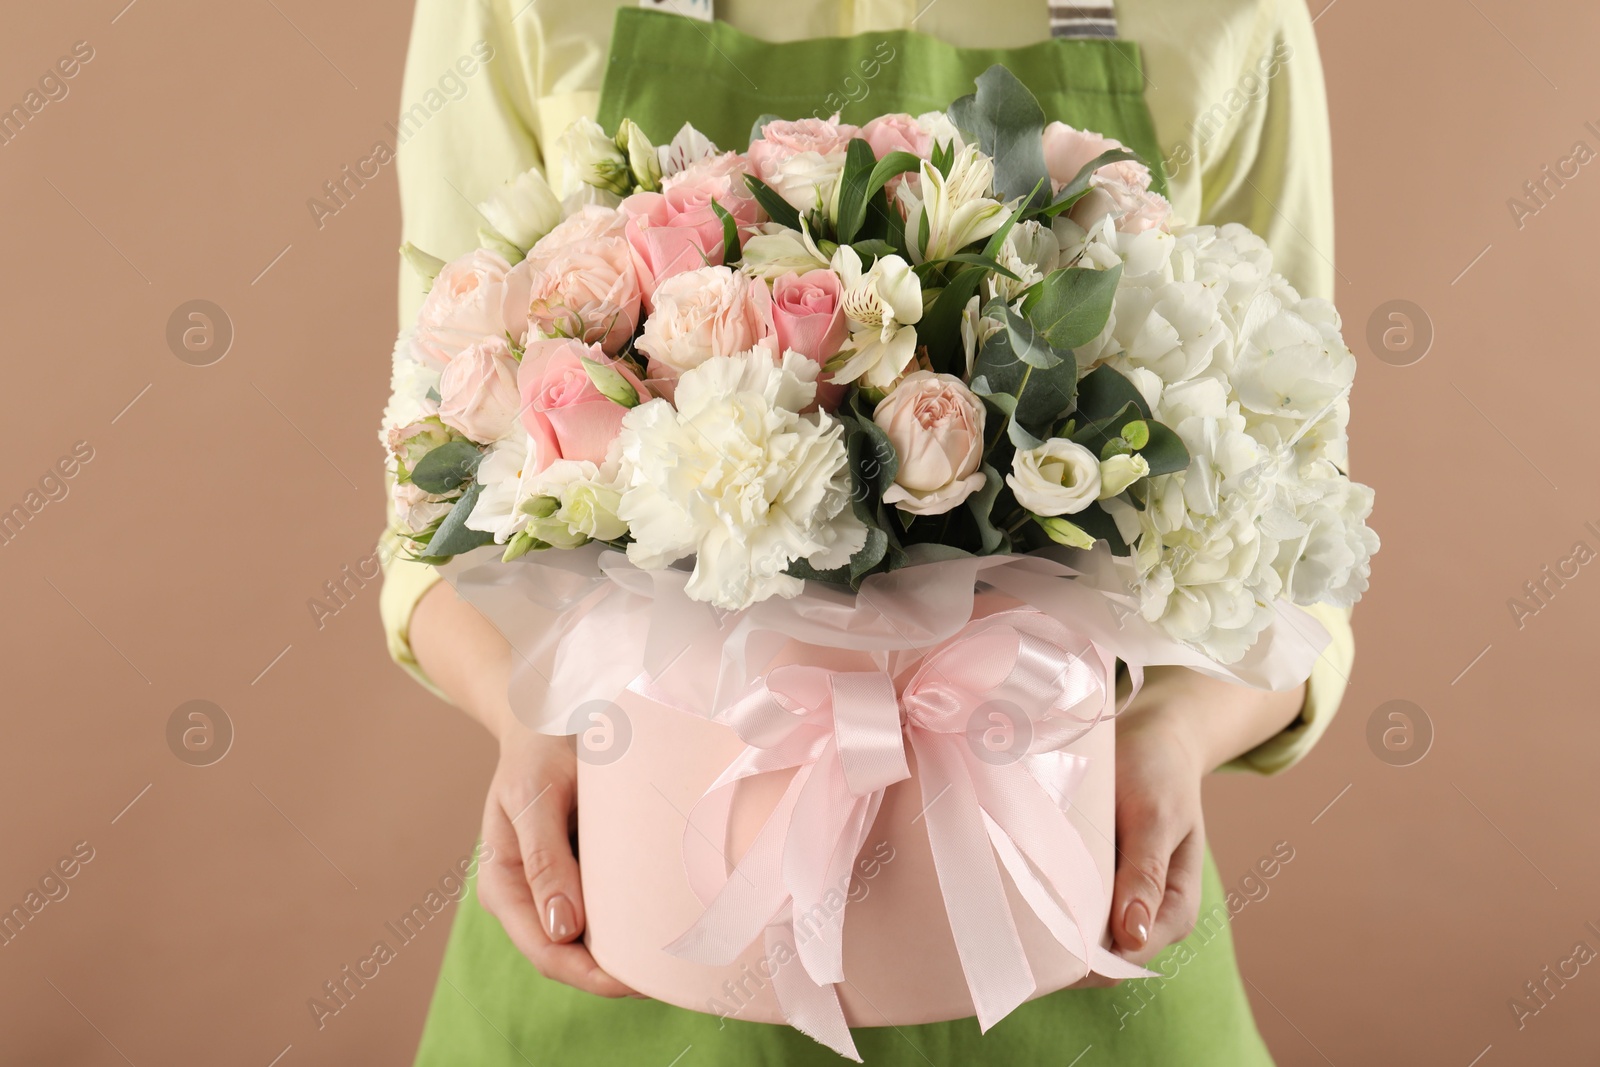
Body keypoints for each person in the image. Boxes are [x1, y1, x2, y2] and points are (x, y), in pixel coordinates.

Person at [380, 1, 1355, 1062]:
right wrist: (532, 729)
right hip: (639, 912)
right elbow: (435, 489)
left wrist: (1169, 739)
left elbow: (1292, 523)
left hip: (1062, 900)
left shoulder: (1227, 17)